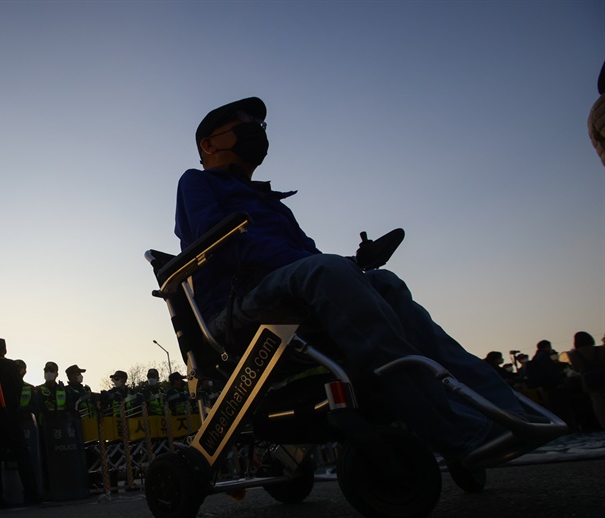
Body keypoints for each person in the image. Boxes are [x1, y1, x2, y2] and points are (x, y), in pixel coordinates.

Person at [175, 97, 527, 463]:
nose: (257, 131)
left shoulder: (274, 205)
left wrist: (355, 265)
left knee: (384, 282)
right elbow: (216, 241)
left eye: (260, 126)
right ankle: (459, 434)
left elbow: (306, 261)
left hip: (293, 297)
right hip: (237, 311)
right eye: (244, 125)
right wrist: (332, 267)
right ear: (209, 143)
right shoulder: (196, 183)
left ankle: (504, 413)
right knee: (329, 270)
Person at [0, 338, 39, 507]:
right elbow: (19, 387)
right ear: (4, 350)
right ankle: (31, 494)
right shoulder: (10, 366)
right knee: (22, 455)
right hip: (10, 416)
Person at [568, 331, 605, 429]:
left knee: (597, 403)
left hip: (589, 379)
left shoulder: (573, 354)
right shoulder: (601, 350)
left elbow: (576, 369)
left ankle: (603, 424)